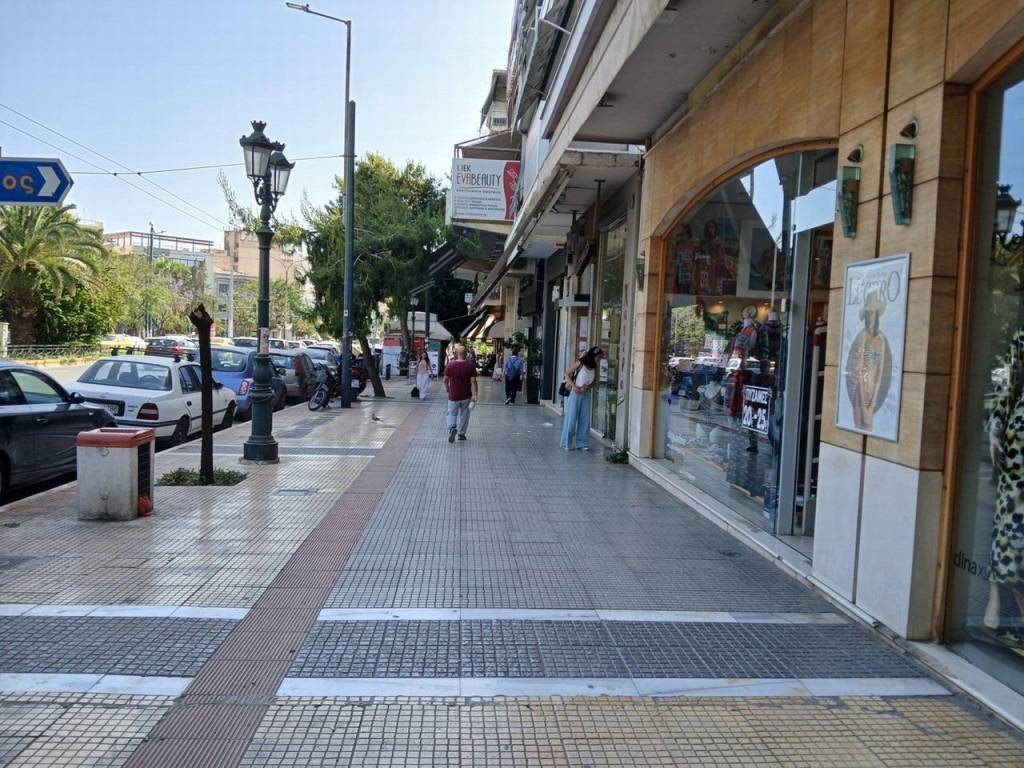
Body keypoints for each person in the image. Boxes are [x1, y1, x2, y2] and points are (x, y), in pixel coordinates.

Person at [560, 346, 604, 450]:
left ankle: (582, 443)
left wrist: (588, 387)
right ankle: (566, 443)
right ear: (593, 355)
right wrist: (574, 386)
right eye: (598, 356)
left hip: (586, 393)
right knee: (571, 418)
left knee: (585, 419)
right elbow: (567, 373)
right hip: (575, 393)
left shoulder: (595, 366)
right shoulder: (581, 363)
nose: (599, 359)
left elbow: (595, 381)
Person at [443, 343, 478, 443]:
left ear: (456, 353)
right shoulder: (470, 366)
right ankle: (461, 434)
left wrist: (447, 388)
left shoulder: (450, 365)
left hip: (453, 395)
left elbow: (445, 379)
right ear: (466, 354)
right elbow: (473, 382)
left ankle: (452, 428)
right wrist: (475, 395)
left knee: (451, 413)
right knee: (464, 415)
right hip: (466, 396)